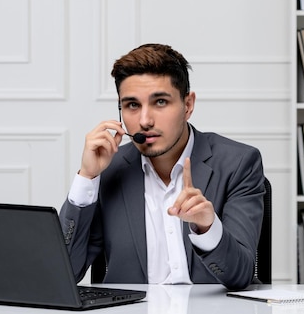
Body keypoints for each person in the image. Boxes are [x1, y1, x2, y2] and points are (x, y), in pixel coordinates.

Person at [59, 43, 265, 291]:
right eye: (132, 105)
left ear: (188, 105)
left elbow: (241, 275)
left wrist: (207, 227)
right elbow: (64, 274)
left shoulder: (239, 163)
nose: (144, 121)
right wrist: (87, 178)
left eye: (160, 102)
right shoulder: (108, 170)